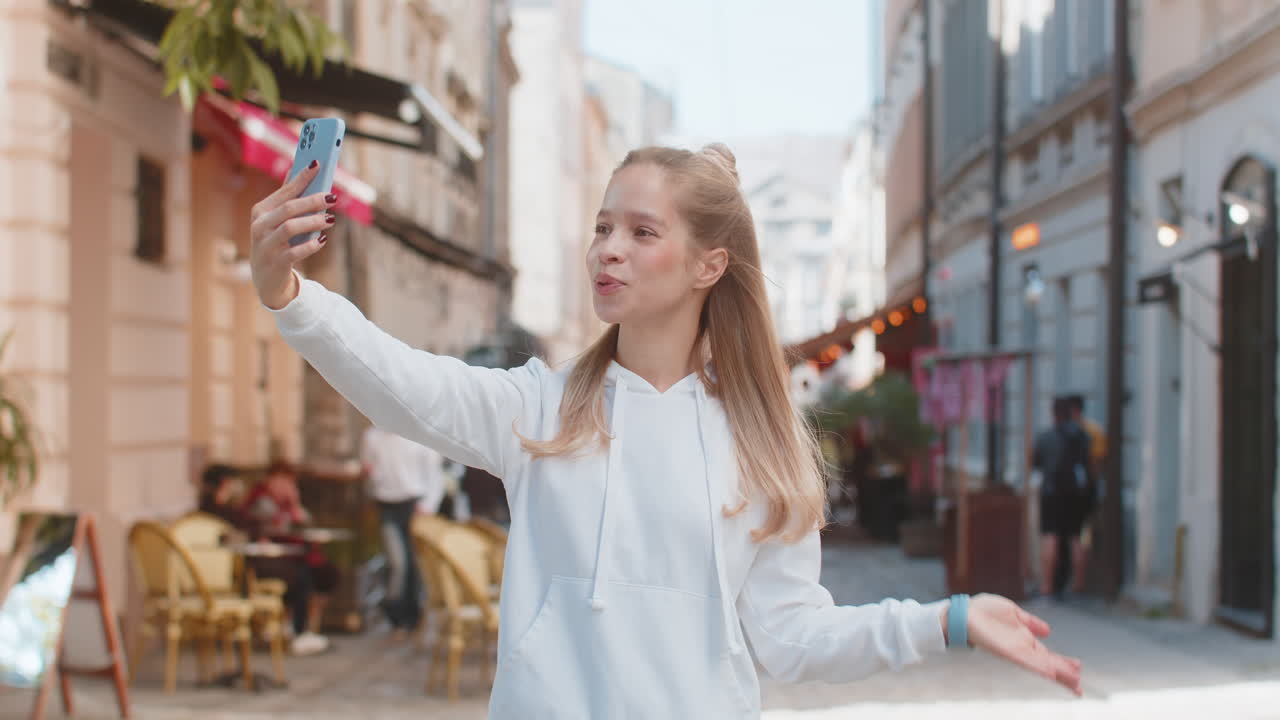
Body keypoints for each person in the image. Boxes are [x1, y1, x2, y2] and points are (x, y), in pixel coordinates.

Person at [250, 146, 1082, 717]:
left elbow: (791, 639)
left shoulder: (765, 443)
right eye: (604, 226)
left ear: (707, 265)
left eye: (642, 233)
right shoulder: (539, 411)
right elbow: (399, 383)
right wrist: (288, 292)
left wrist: (950, 620)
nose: (608, 249)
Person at [241, 460, 338, 656]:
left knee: (322, 572)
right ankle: (295, 629)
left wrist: (294, 503)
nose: (285, 486)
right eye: (282, 481)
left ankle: (303, 627)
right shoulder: (262, 500)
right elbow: (270, 528)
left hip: (288, 555)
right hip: (264, 559)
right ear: (271, 479)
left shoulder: (285, 502)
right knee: (301, 576)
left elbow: (305, 524)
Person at [360, 424, 446, 635]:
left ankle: (412, 616)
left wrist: (427, 506)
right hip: (387, 505)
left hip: (414, 505)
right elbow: (368, 468)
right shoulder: (372, 437)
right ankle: (395, 614)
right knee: (397, 561)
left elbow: (435, 476)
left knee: (414, 561)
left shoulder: (419, 435)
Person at [1031, 397, 1093, 600]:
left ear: (1054, 414)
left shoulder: (1046, 437)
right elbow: (1090, 464)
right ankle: (1079, 584)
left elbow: (1036, 462)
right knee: (1076, 537)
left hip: (1051, 493)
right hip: (1077, 494)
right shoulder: (1083, 436)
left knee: (1051, 536)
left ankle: (1047, 585)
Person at [1064, 393, 1104, 593]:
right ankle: (1079, 582)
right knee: (1080, 536)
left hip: (1064, 493)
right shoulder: (1093, 431)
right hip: (1085, 491)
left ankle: (1075, 582)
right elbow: (1097, 465)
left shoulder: (1062, 431)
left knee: (1074, 537)